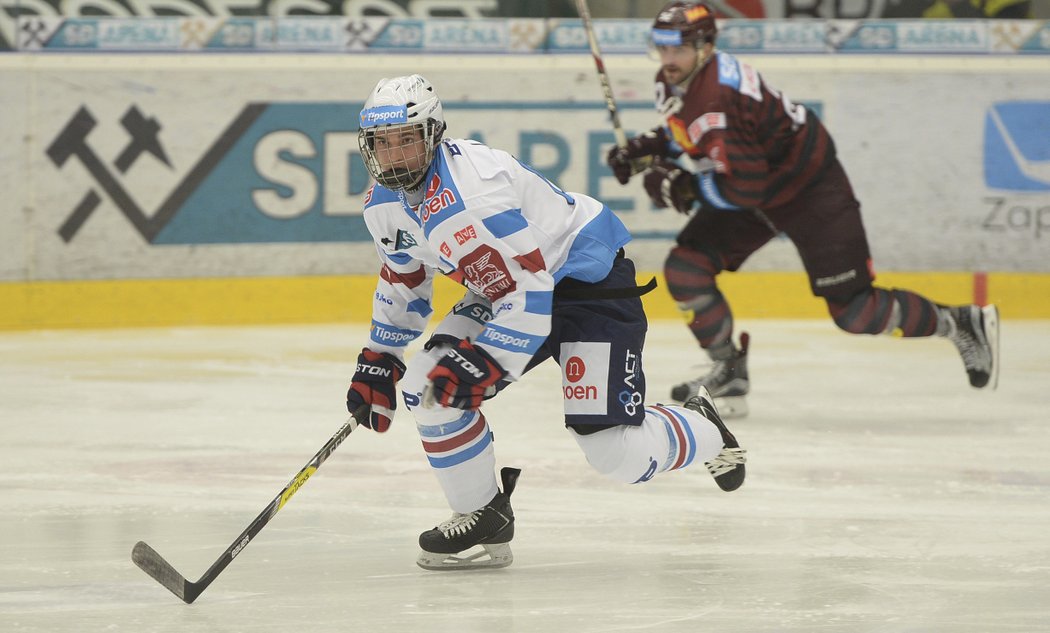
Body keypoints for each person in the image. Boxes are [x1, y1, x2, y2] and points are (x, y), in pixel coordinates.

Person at [346, 74, 747, 571]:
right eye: (383, 143)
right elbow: (404, 276)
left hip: (585, 286)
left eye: (406, 139)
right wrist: (380, 357)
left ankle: (701, 426)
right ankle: (483, 513)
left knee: (613, 451)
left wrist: (489, 362)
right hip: (509, 285)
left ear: (433, 135)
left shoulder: (474, 198)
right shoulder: (383, 205)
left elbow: (530, 289)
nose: (395, 155)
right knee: (429, 388)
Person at [606, 1, 1000, 418]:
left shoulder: (718, 96)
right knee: (688, 267)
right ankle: (729, 369)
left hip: (809, 190)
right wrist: (647, 147)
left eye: (678, 49)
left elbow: (743, 187)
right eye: (662, 47)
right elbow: (688, 133)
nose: (668, 59)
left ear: (705, 47)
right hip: (760, 184)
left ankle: (958, 322)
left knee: (854, 310)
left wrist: (681, 187)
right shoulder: (680, 81)